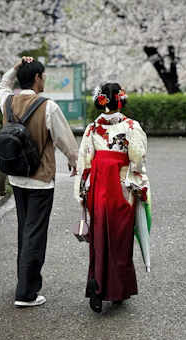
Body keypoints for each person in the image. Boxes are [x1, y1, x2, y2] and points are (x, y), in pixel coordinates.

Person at [0, 56, 79, 308]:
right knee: (35, 234)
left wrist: (15, 67)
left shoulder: (8, 102)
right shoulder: (48, 107)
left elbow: (3, 84)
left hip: (17, 177)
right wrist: (76, 162)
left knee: (25, 230)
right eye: (42, 75)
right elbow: (65, 140)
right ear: (36, 78)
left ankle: (23, 282)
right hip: (40, 180)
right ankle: (26, 293)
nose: (45, 79)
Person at [74, 83, 150, 313]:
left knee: (99, 237)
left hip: (98, 186)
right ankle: (118, 290)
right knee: (120, 238)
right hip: (121, 188)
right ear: (121, 100)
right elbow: (137, 159)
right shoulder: (131, 126)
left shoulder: (92, 127)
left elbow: (84, 161)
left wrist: (81, 192)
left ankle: (96, 286)